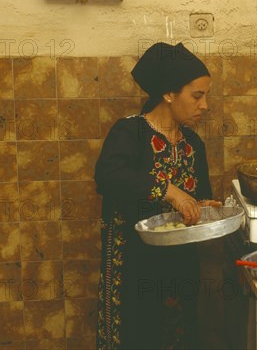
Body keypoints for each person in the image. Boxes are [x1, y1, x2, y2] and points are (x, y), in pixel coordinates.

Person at [95, 42, 221, 350]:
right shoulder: (129, 133)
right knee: (138, 334)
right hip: (133, 263)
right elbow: (109, 177)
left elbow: (199, 194)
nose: (204, 105)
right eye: (197, 95)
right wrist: (169, 191)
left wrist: (202, 208)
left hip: (180, 264)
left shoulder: (193, 143)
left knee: (178, 335)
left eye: (205, 96)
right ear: (168, 94)